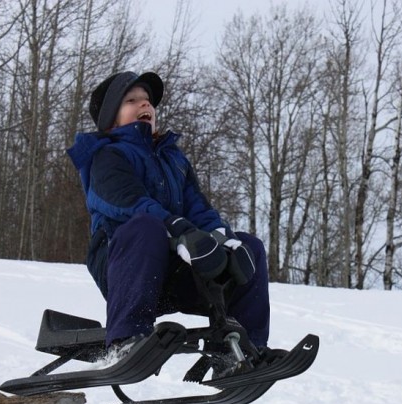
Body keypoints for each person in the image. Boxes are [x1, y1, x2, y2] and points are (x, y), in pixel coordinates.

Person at [66, 71, 270, 355]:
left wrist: (223, 238)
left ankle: (242, 349)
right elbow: (128, 202)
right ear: (112, 118)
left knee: (249, 248)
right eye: (132, 100)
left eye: (148, 101)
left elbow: (198, 207)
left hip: (175, 269)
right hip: (126, 267)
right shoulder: (106, 156)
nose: (145, 105)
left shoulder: (173, 160)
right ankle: (126, 341)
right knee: (147, 227)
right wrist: (177, 229)